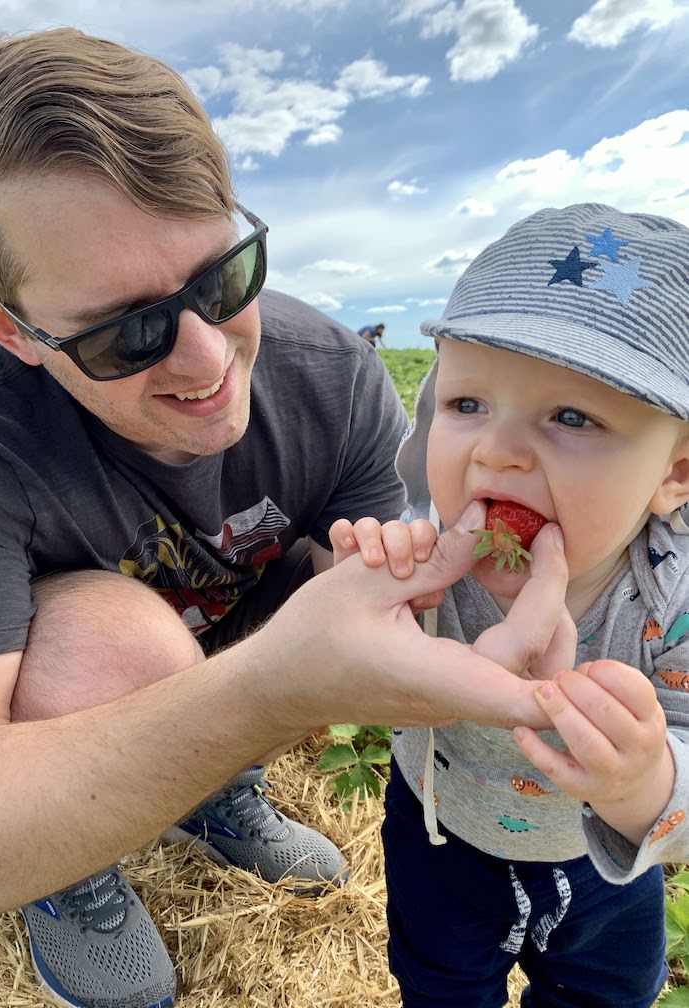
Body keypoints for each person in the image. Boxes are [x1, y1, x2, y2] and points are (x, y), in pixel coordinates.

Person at [0, 26, 572, 1008]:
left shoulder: (332, 376)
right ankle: (65, 869)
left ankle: (217, 800)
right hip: (84, 658)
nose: (207, 360)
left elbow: (374, 580)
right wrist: (266, 692)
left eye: (223, 278)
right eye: (127, 332)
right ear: (11, 329)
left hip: (232, 635)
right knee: (120, 642)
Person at [331, 202, 689, 1008]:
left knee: (606, 995)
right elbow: (345, 672)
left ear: (677, 474)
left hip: (603, 867)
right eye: (467, 405)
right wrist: (368, 589)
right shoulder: (427, 558)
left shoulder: (673, 602)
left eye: (571, 416)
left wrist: (642, 783)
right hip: (440, 840)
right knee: (439, 986)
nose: (496, 450)